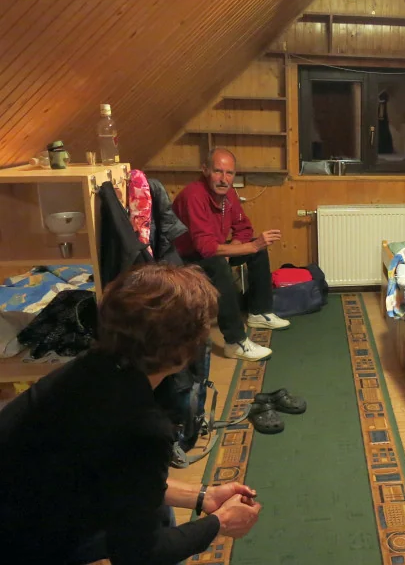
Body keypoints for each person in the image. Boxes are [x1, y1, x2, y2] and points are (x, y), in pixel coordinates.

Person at [0, 263, 262, 565]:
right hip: (21, 541)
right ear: (183, 352)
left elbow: (115, 475)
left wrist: (202, 496)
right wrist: (221, 522)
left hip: (27, 498)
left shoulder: (93, 366)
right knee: (158, 522)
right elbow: (139, 555)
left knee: (155, 508)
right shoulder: (144, 426)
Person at [172, 147, 289, 362]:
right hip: (184, 257)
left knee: (258, 251)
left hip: (211, 250)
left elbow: (243, 228)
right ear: (205, 170)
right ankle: (234, 342)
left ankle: (259, 312)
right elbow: (205, 247)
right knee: (222, 263)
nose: (224, 179)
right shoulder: (193, 196)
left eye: (229, 173)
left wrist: (237, 248)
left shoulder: (229, 194)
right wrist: (249, 247)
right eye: (218, 171)